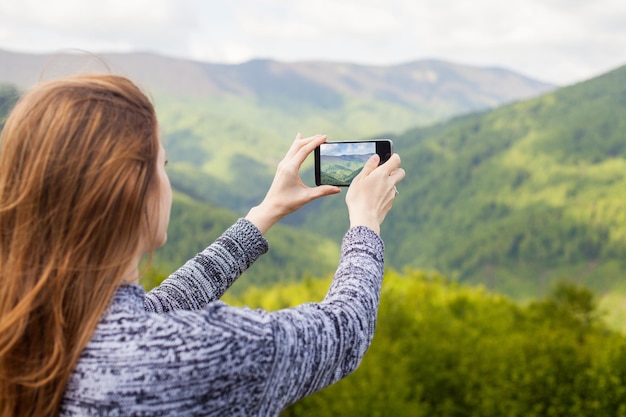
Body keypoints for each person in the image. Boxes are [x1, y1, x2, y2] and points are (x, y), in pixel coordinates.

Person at [0, 73, 405, 417]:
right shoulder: (206, 352)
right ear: (131, 194)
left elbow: (158, 308)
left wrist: (264, 213)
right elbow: (344, 332)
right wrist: (365, 223)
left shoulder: (35, 330)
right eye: (163, 165)